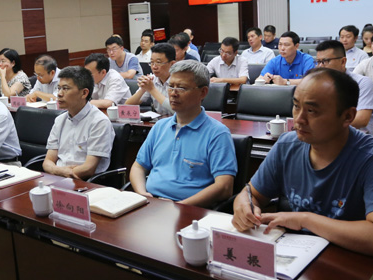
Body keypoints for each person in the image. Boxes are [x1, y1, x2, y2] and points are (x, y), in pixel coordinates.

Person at [231, 68, 373, 260]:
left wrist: (305, 220)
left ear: (348, 116)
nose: (298, 119)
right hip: (296, 256)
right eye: (296, 106)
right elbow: (251, 194)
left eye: (312, 111)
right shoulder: (287, 145)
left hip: (353, 263)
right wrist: (243, 206)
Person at [129, 60, 236, 207]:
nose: (173, 93)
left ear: (203, 92)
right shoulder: (160, 126)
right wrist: (143, 194)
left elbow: (224, 187)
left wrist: (178, 207)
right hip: (152, 204)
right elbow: (138, 167)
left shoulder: (217, 134)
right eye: (171, 86)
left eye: (182, 88)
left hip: (190, 210)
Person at [43, 66, 115, 180]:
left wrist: (60, 172)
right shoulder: (60, 120)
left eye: (65, 88)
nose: (59, 94)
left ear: (84, 93)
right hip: (58, 177)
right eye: (59, 88)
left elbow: (88, 168)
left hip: (86, 182)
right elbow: (47, 161)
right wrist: (59, 171)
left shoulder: (99, 122)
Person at [314, 40, 373, 136]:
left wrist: (323, 125)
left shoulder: (362, 83)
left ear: (343, 61)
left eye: (325, 61)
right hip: (323, 135)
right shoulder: (317, 84)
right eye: (318, 62)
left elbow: (361, 120)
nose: (320, 66)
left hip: (357, 137)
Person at [125, 43, 175, 116]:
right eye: (152, 62)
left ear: (172, 64)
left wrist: (152, 90)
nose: (154, 67)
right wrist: (143, 89)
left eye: (158, 62)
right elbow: (128, 105)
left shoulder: (179, 82)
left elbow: (177, 110)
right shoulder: (152, 80)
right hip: (159, 120)